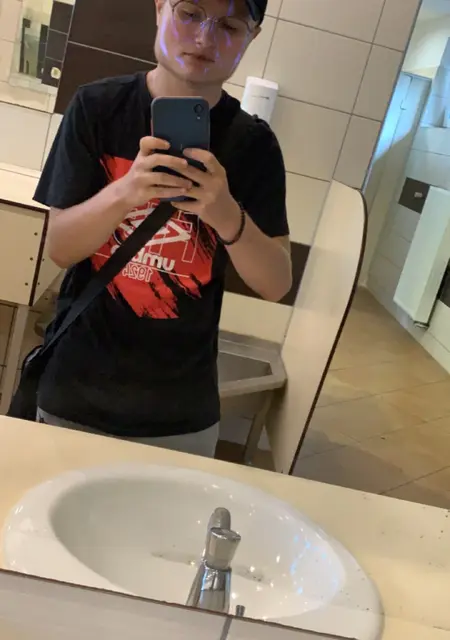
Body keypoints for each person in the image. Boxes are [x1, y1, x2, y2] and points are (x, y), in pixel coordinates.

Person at [33, 0, 292, 458]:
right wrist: (125, 191)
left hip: (179, 413)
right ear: (159, 9)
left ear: (251, 37)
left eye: (230, 25)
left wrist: (226, 213)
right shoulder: (97, 107)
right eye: (189, 12)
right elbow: (59, 247)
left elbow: (276, 284)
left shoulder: (255, 145)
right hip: (75, 391)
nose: (205, 38)